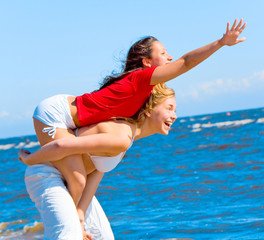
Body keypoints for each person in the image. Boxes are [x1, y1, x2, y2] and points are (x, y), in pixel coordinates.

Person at [23, 19, 247, 215]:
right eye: (163, 53)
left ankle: (76, 223)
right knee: (78, 180)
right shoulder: (141, 79)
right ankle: (68, 227)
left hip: (70, 120)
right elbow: (185, 62)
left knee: (81, 178)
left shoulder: (143, 94)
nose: (170, 57)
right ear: (147, 63)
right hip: (53, 114)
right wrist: (220, 43)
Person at [20, 83, 177, 239]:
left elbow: (95, 172)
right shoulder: (122, 135)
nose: (174, 115)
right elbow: (61, 145)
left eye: (175, 110)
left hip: (73, 184)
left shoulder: (128, 135)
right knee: (68, 236)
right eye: (169, 108)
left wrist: (80, 218)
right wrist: (28, 159)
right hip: (47, 175)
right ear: (149, 109)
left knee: (103, 236)